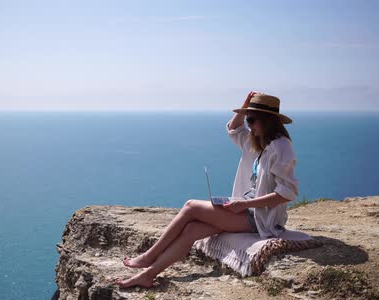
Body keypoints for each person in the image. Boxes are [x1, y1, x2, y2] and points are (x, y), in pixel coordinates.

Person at [114, 91, 299, 288]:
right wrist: (244, 106)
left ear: (267, 120)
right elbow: (233, 129)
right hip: (247, 210)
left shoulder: (280, 147)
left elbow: (286, 192)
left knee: (190, 206)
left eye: (252, 120)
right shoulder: (258, 142)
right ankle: (148, 275)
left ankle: (148, 257)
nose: (248, 125)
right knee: (191, 229)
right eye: (248, 120)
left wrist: (245, 204)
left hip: (261, 218)